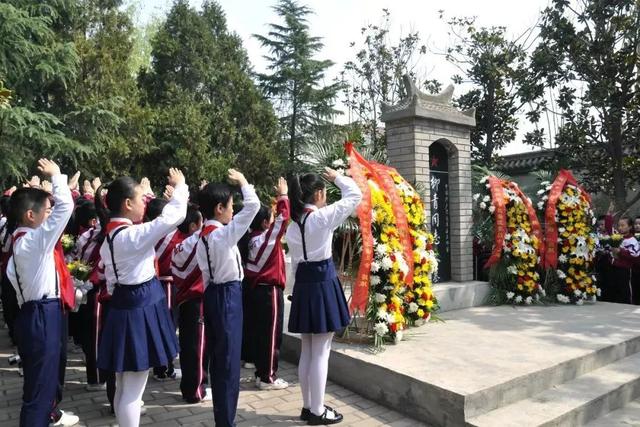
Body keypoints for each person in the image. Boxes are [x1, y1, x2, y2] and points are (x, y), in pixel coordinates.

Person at [96, 169, 187, 427]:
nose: (144, 204)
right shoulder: (132, 236)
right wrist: (181, 186)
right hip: (139, 306)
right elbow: (174, 216)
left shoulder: (111, 238)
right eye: (140, 199)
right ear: (127, 204)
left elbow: (112, 281)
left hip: (124, 304)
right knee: (133, 390)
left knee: (125, 384)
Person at [6, 159, 79, 426]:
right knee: (39, 395)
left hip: (35, 313)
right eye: (47, 211)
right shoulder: (33, 242)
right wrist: (57, 176)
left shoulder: (21, 243)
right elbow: (67, 207)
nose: (51, 215)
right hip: (42, 314)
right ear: (30, 215)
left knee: (39, 388)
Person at [286, 167, 362, 425]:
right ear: (318, 193)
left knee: (308, 349)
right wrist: (337, 178)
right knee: (321, 351)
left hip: (304, 285)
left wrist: (296, 290)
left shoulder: (293, 226)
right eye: (324, 192)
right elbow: (354, 195)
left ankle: (309, 406)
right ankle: (317, 410)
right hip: (321, 282)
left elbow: (295, 264)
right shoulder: (321, 218)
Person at [196, 169, 260, 427]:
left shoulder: (203, 235)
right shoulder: (222, 235)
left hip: (213, 293)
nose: (234, 211)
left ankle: (223, 417)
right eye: (231, 206)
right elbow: (253, 206)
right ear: (219, 208)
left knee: (221, 359)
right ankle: (226, 421)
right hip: (227, 296)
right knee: (228, 363)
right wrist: (244, 181)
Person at [239, 177, 290, 390]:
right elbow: (284, 219)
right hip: (269, 291)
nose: (273, 218)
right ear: (264, 223)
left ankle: (261, 371)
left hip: (254, 292)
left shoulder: (250, 239)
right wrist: (283, 196)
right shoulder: (266, 238)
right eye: (270, 216)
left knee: (259, 333)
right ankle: (267, 377)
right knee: (271, 335)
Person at [171, 204, 211, 403]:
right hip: (197, 299)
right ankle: (196, 390)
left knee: (188, 346)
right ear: (194, 226)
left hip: (185, 299)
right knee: (198, 347)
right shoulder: (197, 243)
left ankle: (190, 386)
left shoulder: (178, 245)